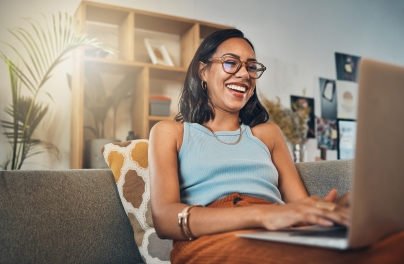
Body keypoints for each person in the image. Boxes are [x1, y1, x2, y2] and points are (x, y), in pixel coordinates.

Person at [148, 29, 404, 264]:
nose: (244, 74)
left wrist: (342, 208)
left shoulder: (267, 134)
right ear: (202, 71)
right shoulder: (170, 133)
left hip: (280, 233)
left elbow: (301, 208)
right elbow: (166, 219)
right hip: (211, 239)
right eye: (230, 62)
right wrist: (261, 215)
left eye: (251, 67)